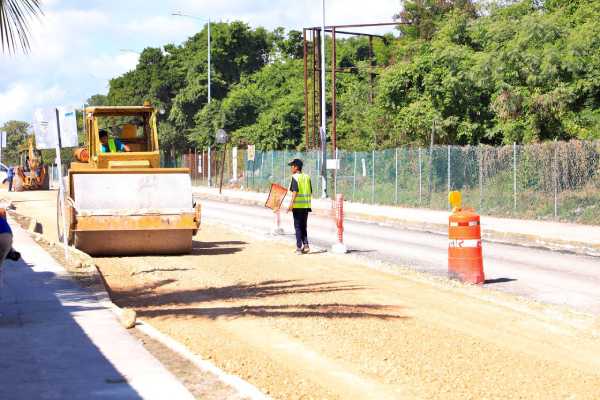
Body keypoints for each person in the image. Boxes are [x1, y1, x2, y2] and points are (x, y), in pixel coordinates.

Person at [286, 159, 312, 255]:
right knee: (303, 226)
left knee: (297, 227)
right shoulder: (307, 177)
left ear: (296, 167)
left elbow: (295, 192)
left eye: (292, 166)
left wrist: (291, 204)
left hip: (297, 206)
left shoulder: (295, 177)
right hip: (306, 206)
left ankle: (298, 247)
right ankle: (306, 245)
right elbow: (310, 191)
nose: (291, 168)